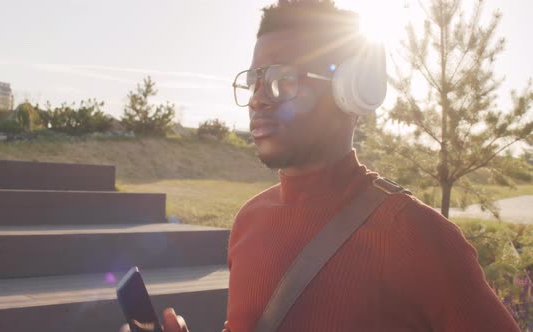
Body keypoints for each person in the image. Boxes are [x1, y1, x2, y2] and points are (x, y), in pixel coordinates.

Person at [122, 1, 521, 331]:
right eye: (254, 80)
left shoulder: (418, 237)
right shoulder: (249, 220)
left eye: (281, 79)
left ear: (350, 91)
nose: (258, 99)